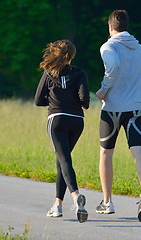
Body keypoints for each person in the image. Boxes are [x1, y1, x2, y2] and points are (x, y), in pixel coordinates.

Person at [95, 10, 141, 222]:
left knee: (106, 153)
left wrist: (104, 89)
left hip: (112, 108)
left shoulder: (108, 46)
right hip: (136, 109)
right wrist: (136, 86)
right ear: (127, 26)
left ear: (110, 27)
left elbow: (113, 66)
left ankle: (107, 202)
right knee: (138, 150)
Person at [35, 39, 90, 223]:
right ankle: (57, 206)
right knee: (62, 160)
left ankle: (76, 197)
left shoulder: (48, 73)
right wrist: (80, 103)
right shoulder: (80, 72)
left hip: (57, 120)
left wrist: (52, 102)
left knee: (64, 159)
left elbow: (37, 100)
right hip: (77, 121)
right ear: (72, 56)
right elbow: (85, 99)